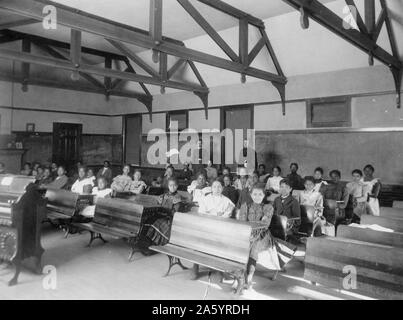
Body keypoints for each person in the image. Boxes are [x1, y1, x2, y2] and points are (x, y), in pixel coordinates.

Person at [236, 184, 297, 289]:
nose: (257, 196)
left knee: (254, 246)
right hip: (246, 233)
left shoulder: (268, 207)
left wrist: (252, 224)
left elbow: (264, 224)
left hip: (263, 236)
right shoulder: (245, 206)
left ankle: (249, 276)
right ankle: (239, 274)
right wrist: (253, 225)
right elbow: (242, 223)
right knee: (238, 244)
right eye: (255, 194)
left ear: (264, 195)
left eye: (260, 194)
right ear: (250, 195)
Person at [193, 180, 235, 280]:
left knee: (222, 243)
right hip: (207, 226)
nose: (217, 189)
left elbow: (228, 213)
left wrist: (215, 213)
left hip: (221, 227)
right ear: (211, 188)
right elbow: (202, 212)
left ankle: (221, 269)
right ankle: (195, 267)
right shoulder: (205, 199)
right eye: (214, 187)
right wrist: (216, 214)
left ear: (222, 188)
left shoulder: (227, 201)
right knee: (199, 240)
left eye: (219, 187)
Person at [144, 177, 182, 249]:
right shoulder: (164, 195)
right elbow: (157, 204)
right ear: (168, 186)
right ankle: (148, 241)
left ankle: (155, 242)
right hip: (161, 214)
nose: (172, 187)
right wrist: (159, 203)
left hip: (169, 218)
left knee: (158, 222)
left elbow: (175, 212)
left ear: (177, 186)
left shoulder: (177, 198)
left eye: (174, 185)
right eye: (170, 185)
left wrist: (165, 210)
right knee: (149, 219)